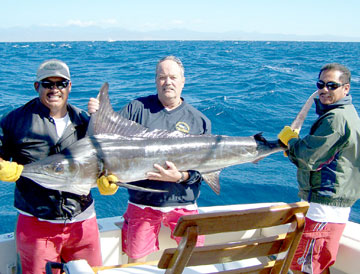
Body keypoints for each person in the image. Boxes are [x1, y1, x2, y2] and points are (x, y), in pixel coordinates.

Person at [88, 55, 211, 263]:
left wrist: (180, 176)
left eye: (173, 77)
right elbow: (107, 142)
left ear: (183, 81)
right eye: (162, 77)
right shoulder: (136, 109)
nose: (167, 82)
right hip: (142, 203)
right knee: (135, 262)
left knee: (195, 261)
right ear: (156, 81)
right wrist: (96, 115)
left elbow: (204, 171)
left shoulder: (199, 121)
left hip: (184, 203)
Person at [0, 59, 102, 273]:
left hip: (83, 222)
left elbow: (104, 160)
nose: (55, 89)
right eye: (48, 84)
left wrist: (107, 179)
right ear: (37, 87)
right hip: (37, 224)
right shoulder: (14, 121)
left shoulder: (85, 121)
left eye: (61, 83)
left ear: (70, 86)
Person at [278, 63, 360, 274]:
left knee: (303, 266)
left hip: (324, 207)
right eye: (321, 84)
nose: (325, 89)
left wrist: (291, 143)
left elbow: (307, 158)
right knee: (314, 266)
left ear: (346, 88)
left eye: (332, 85)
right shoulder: (347, 113)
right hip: (333, 205)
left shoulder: (335, 119)